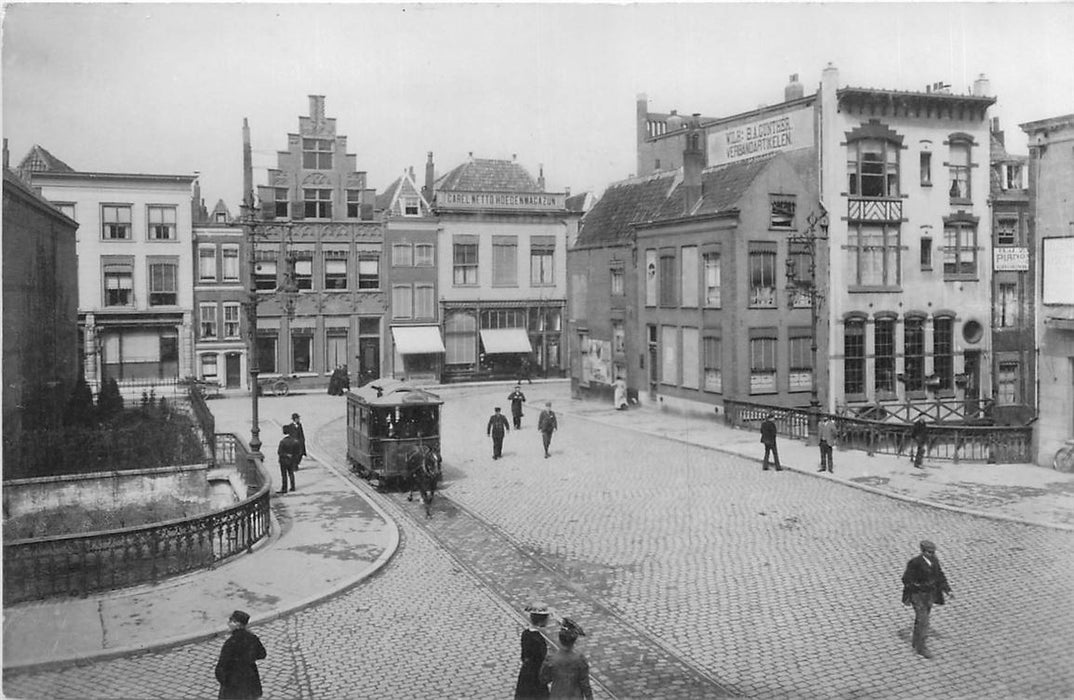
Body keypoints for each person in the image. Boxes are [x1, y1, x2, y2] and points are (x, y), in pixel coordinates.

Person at [901, 539, 953, 659]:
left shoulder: (934, 561)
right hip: (917, 596)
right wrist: (918, 587)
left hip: (929, 596)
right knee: (923, 621)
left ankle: (915, 641)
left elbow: (940, 575)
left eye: (933, 552)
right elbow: (906, 579)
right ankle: (921, 648)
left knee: (921, 620)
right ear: (923, 552)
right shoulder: (915, 563)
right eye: (929, 552)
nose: (932, 554)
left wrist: (947, 590)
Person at [215, 610, 266, 699]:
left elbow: (221, 667)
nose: (229, 623)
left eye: (232, 621)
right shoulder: (252, 638)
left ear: (237, 624)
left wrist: (225, 682)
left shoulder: (230, 643)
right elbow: (262, 654)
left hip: (233, 683)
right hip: (250, 680)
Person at [539, 618, 592, 700]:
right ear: (574, 641)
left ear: (559, 639)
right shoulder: (580, 659)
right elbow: (585, 683)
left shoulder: (551, 659)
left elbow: (544, 679)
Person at [514, 604, 551, 699]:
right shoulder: (538, 639)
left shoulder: (526, 633)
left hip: (526, 672)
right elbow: (543, 660)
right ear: (542, 620)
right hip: (536, 675)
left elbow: (524, 655)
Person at [277, 424, 301, 493]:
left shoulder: (282, 442)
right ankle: (292, 487)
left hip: (283, 460)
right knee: (291, 473)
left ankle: (284, 488)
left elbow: (279, 452)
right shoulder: (295, 441)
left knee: (284, 475)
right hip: (292, 460)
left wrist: (286, 455)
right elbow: (298, 452)